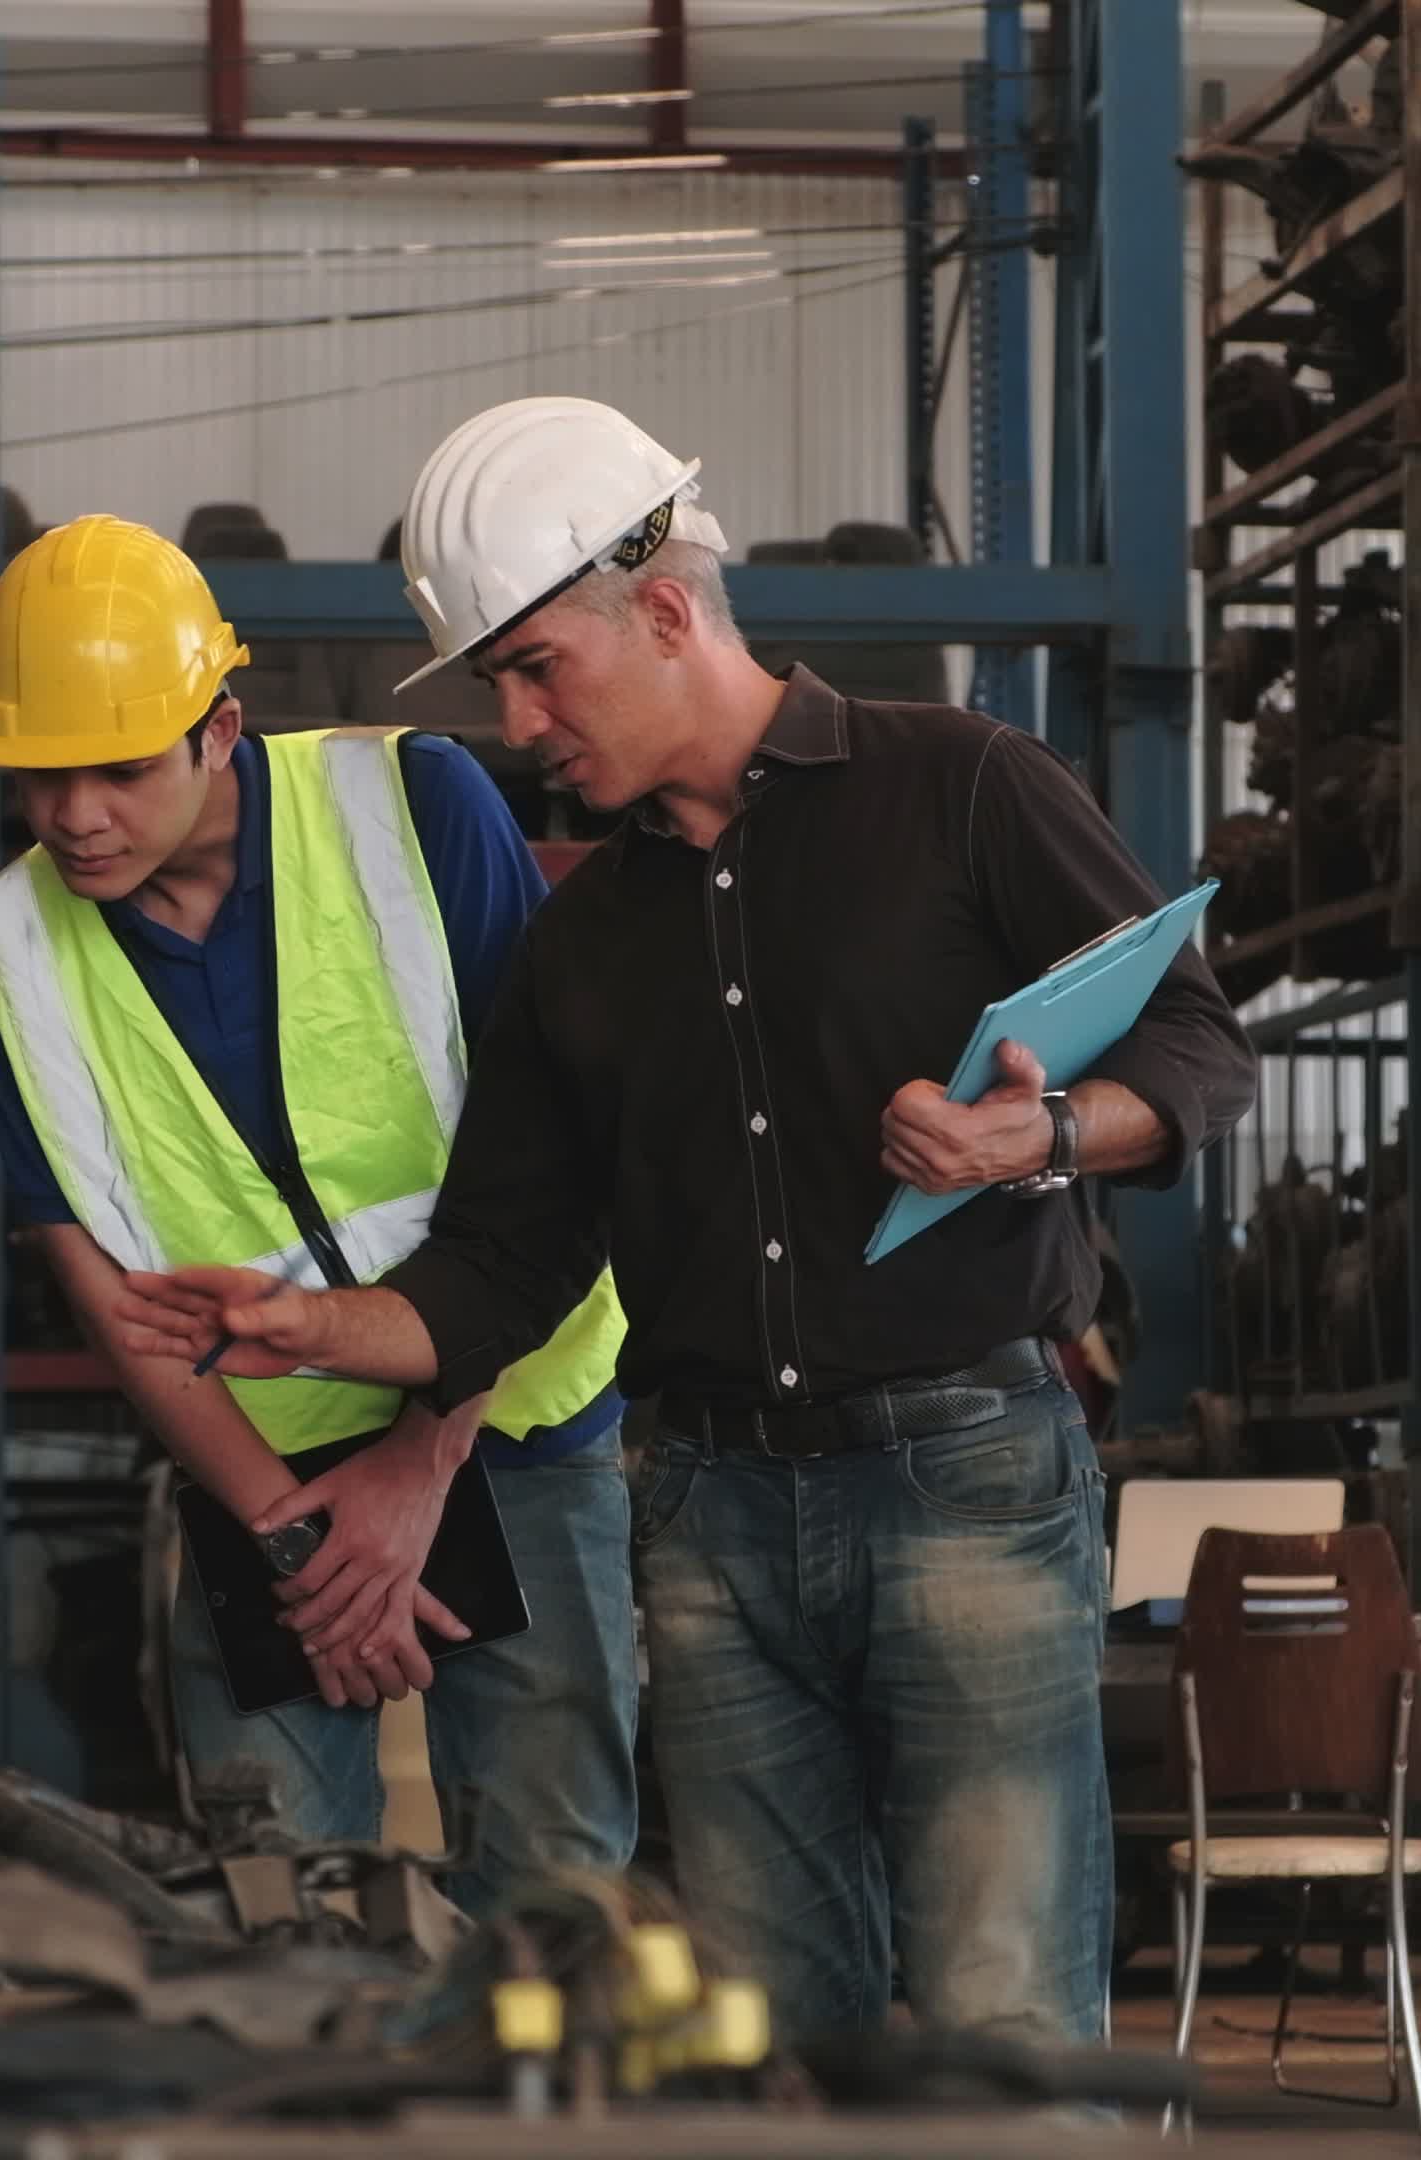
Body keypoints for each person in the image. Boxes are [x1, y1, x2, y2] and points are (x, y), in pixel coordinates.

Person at [106, 398, 1258, 2047]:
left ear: (662, 608)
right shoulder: (584, 943)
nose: (517, 728)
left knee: (1002, 2008)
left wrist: (1047, 1132)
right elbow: (504, 1264)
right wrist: (312, 1327)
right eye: (495, 685)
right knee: (766, 2028)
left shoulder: (961, 786)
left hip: (966, 1479)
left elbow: (1200, 1047)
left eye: (536, 671)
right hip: (712, 1515)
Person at [0, 512, 636, 1918]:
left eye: (119, 768)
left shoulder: (418, 807)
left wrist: (417, 1464)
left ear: (220, 729)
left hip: (512, 1425)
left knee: (555, 1899)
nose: (75, 816)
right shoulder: (10, 944)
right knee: (271, 1906)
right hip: (263, 1485)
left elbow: (564, 1160)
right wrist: (293, 1535)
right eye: (39, 776)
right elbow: (104, 1284)